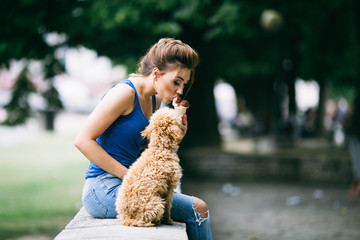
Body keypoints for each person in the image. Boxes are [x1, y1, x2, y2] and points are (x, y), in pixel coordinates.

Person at [74, 38, 213, 240]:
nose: (180, 91)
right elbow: (83, 140)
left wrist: (174, 138)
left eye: (184, 84)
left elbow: (145, 149)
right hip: (103, 188)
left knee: (198, 209)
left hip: (132, 184)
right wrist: (129, 175)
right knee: (197, 209)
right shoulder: (124, 93)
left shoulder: (154, 99)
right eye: (176, 82)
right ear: (156, 73)